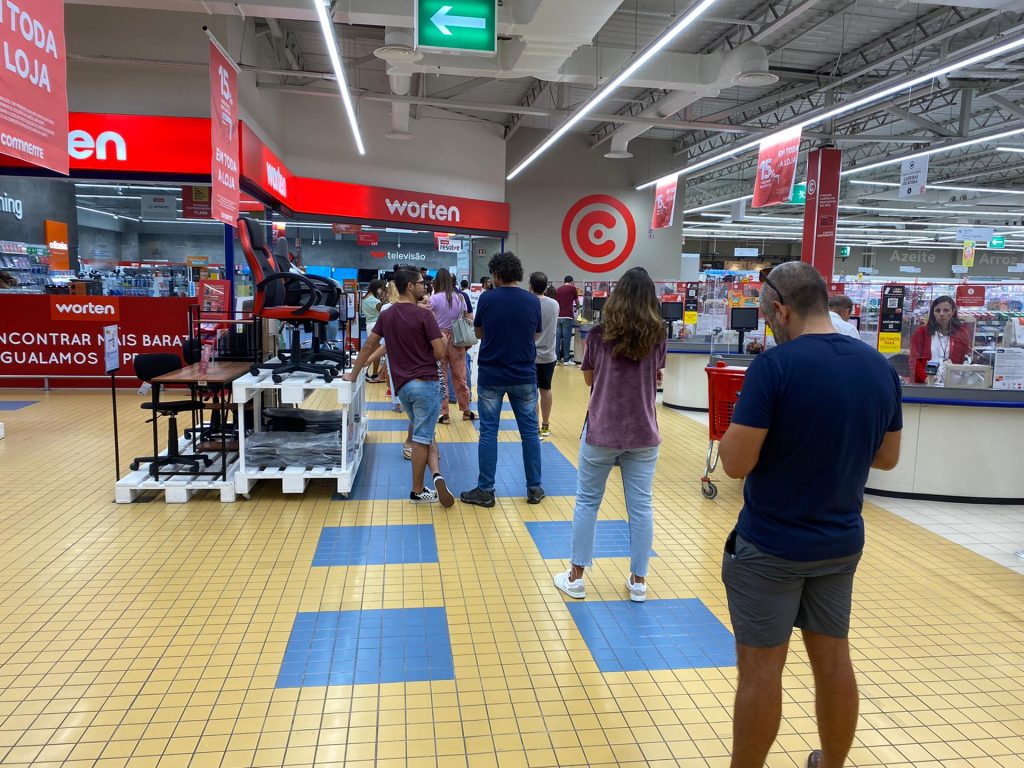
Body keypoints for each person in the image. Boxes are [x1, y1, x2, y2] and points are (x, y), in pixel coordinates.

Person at [717, 262, 902, 768]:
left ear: (781, 310)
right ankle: (833, 763)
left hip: (771, 546)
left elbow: (735, 464)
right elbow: (888, 457)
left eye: (766, 317)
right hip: (840, 543)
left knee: (761, 671)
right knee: (834, 660)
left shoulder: (774, 368)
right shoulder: (878, 368)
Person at [553, 267, 667, 603]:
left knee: (588, 502)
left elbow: (589, 380)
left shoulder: (598, 334)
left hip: (602, 429)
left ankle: (576, 578)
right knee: (641, 507)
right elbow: (656, 377)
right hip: (644, 432)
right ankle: (639, 581)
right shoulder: (658, 336)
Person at [343, 269, 455, 507]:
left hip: (402, 386)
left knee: (424, 433)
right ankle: (417, 491)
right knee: (421, 439)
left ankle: (436, 475)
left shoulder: (387, 314)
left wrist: (354, 374)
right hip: (426, 384)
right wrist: (440, 336)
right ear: (410, 286)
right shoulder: (424, 316)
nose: (425, 287)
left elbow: (369, 346)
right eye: (421, 283)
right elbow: (439, 353)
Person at [460, 252, 545, 507]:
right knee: (530, 432)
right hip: (524, 375)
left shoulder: (488, 298)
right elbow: (535, 334)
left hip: (492, 375)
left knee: (488, 433)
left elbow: (478, 333)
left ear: (496, 274)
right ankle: (534, 488)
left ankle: (486, 490)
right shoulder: (532, 301)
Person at [430, 269, 475, 423]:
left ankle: (444, 414)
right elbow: (468, 319)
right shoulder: (460, 298)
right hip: (457, 338)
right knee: (460, 376)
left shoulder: (434, 298)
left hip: (438, 338)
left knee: (441, 377)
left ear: (436, 281)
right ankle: (466, 410)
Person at [908, 295, 973, 384]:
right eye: (937, 310)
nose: (941, 314)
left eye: (946, 310)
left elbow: (964, 360)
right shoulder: (921, 332)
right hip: (925, 384)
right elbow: (914, 360)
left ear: (953, 312)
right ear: (933, 313)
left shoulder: (961, 333)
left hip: (951, 384)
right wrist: (926, 378)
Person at [530, 271, 558, 440]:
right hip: (549, 355)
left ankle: (535, 427)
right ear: (546, 287)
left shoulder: (528, 303)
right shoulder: (554, 304)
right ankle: (546, 425)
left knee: (532, 392)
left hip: (530, 355)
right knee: (546, 389)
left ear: (530, 286)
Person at [361, 279, 385, 381]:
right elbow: (382, 310)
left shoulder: (365, 298)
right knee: (377, 350)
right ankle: (373, 373)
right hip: (376, 325)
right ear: (378, 288)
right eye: (382, 289)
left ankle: (371, 372)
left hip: (369, 325)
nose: (382, 291)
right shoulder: (374, 301)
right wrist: (384, 300)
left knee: (374, 349)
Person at [555, 275, 580, 365]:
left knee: (557, 339)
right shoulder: (573, 289)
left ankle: (556, 359)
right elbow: (577, 302)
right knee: (566, 339)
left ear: (564, 281)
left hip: (558, 317)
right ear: (572, 282)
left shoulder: (558, 289)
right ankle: (566, 360)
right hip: (567, 317)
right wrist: (578, 308)